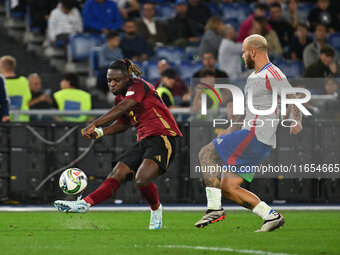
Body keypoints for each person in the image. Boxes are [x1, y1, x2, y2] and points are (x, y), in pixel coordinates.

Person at [54, 59, 183, 230]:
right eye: (109, 80)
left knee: (142, 179)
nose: (112, 84)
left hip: (163, 137)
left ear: (128, 78)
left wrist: (95, 123)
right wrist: (101, 132)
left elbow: (123, 108)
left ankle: (156, 209)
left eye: (116, 80)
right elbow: (123, 123)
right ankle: (84, 204)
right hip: (144, 140)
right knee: (117, 173)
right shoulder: (120, 98)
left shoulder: (139, 86)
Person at [195, 34, 303, 231]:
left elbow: (293, 97)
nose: (243, 56)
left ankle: (213, 208)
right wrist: (230, 128)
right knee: (229, 187)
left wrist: (297, 118)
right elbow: (248, 110)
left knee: (206, 153)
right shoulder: (254, 76)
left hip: (255, 135)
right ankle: (271, 216)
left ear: (253, 51)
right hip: (253, 137)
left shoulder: (272, 74)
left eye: (244, 52)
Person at [0, 55, 31, 122]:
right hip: (22, 120)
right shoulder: (24, 81)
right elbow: (28, 99)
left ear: (2, 67)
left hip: (4, 121)